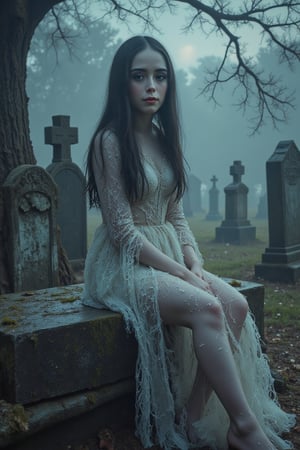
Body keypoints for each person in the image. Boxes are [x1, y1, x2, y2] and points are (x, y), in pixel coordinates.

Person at [83, 36, 295, 450]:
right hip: (122, 263)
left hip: (165, 256)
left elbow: (177, 217)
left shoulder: (164, 139)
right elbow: (123, 232)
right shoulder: (108, 141)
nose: (151, 87)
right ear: (121, 83)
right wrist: (181, 272)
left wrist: (194, 263)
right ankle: (244, 428)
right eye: (139, 76)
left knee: (234, 304)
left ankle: (193, 414)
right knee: (207, 305)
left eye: (160, 77)